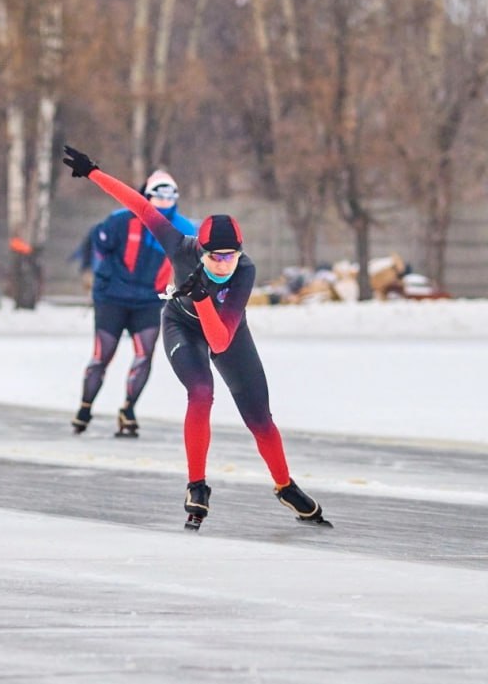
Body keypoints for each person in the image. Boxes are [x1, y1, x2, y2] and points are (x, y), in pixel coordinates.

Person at [61, 144, 330, 530]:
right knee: (201, 392)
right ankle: (197, 485)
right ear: (199, 250)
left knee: (260, 419)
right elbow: (141, 206)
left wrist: (203, 296)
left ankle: (285, 485)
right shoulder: (179, 245)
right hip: (181, 325)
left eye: (230, 255)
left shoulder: (245, 272)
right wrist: (94, 173)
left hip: (226, 330)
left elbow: (220, 342)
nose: (223, 263)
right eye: (214, 256)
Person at [72, 170, 196, 437]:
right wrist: (97, 278)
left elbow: (199, 257)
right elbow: (97, 247)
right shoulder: (120, 221)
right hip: (112, 299)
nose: (164, 200)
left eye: (170, 194)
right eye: (158, 194)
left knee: (144, 356)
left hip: (149, 302)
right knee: (102, 355)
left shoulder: (183, 229)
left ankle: (128, 410)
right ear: (145, 195)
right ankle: (85, 407)